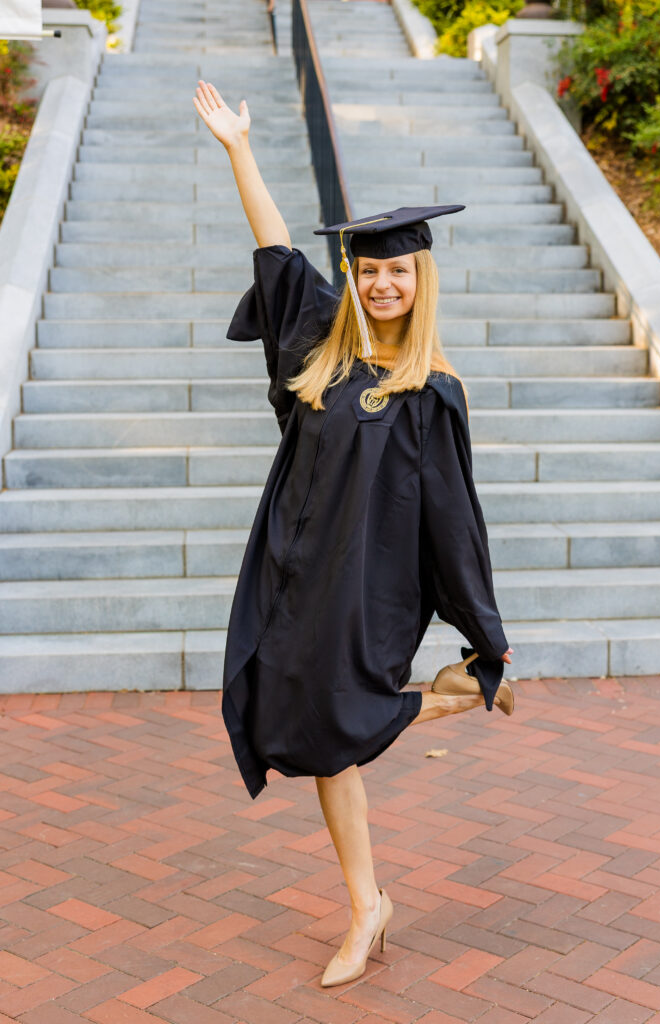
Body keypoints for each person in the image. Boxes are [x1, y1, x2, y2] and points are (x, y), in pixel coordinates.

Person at [193, 80, 515, 988]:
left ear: (421, 282)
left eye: (397, 272)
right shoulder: (315, 349)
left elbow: (454, 517)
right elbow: (274, 248)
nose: (380, 282)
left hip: (364, 583)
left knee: (328, 730)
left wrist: (482, 636)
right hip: (289, 568)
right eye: (369, 271)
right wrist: (239, 151)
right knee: (287, 714)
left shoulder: (430, 391)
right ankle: (371, 892)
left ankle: (365, 900)